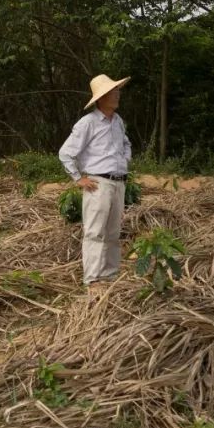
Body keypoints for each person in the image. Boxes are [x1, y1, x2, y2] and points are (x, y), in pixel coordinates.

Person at [58, 74, 132, 296]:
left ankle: (109, 275)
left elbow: (126, 143)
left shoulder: (118, 121)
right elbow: (65, 153)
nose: (117, 94)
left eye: (117, 90)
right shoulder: (88, 123)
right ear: (101, 98)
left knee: (112, 232)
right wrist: (78, 178)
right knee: (95, 232)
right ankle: (93, 279)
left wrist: (125, 159)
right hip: (98, 183)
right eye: (113, 91)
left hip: (118, 182)